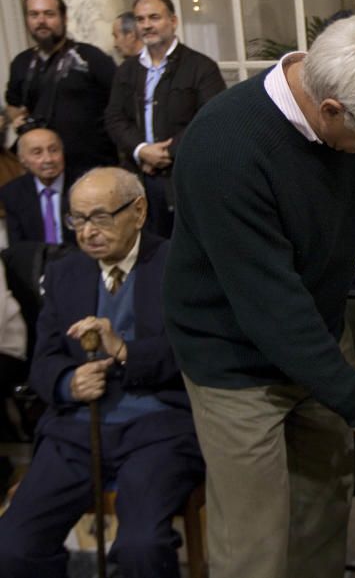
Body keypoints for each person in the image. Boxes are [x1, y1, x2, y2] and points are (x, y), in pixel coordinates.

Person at [163, 14, 355, 578]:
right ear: (332, 110)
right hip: (235, 362)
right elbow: (270, 304)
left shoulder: (348, 121)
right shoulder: (224, 148)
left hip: (316, 335)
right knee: (254, 543)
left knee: (323, 514)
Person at [0, 167, 203, 578]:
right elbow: (44, 359)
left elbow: (197, 353)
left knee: (141, 547)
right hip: (74, 432)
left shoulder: (180, 266)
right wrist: (67, 381)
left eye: (101, 217)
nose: (87, 231)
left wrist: (127, 351)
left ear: (139, 211)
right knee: (13, 545)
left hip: (158, 431)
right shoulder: (64, 272)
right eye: (78, 219)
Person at [105, 0, 226, 238]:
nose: (147, 25)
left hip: (184, 178)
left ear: (173, 21)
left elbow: (211, 120)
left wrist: (166, 153)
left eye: (154, 17)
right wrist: (141, 150)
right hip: (138, 179)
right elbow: (114, 118)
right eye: (140, 19)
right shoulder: (126, 70)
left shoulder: (201, 67)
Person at [4, 0, 118, 176]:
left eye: (49, 14)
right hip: (43, 172)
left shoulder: (91, 57)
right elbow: (13, 104)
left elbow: (120, 103)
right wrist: (17, 119)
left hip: (93, 167)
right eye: (34, 15)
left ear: (64, 18)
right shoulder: (21, 62)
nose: (41, 21)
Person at [0, 125, 74, 246]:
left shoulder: (83, 186)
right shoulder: (12, 193)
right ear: (22, 160)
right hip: (36, 262)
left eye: (54, 150)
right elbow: (17, 249)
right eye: (37, 153)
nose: (48, 159)